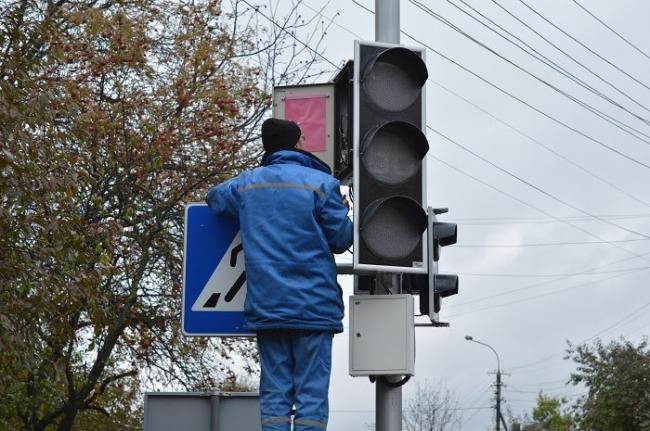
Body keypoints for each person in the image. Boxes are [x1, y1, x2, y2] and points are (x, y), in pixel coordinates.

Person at [206, 118, 353, 431]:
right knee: (311, 398)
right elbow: (342, 240)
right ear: (299, 143)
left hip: (269, 307)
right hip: (315, 308)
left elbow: (215, 198)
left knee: (274, 397)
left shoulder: (247, 184)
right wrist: (344, 210)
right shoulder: (321, 185)